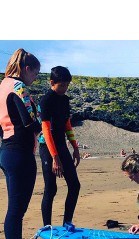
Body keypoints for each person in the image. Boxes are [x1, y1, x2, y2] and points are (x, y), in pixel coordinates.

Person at [0, 48, 41, 239]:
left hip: (7, 151)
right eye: (34, 73)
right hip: (20, 154)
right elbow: (29, 122)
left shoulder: (2, 86)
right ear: (26, 69)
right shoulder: (19, 87)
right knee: (17, 209)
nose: (34, 78)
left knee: (15, 209)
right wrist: (42, 124)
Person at [37, 66, 81, 227]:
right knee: (51, 188)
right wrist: (55, 158)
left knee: (75, 186)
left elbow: (67, 125)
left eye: (67, 85)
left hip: (61, 145)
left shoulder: (65, 100)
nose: (65, 88)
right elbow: (46, 131)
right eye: (62, 85)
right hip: (47, 147)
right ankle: (47, 228)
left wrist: (75, 147)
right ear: (52, 83)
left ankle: (67, 222)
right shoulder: (46, 101)